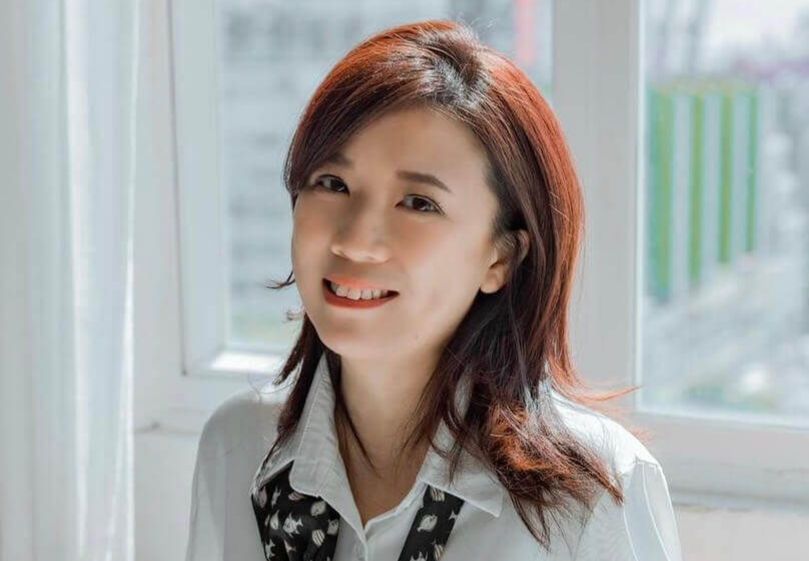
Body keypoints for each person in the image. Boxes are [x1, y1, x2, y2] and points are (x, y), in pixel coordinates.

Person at [184, 19, 683, 561]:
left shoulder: (591, 496)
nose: (356, 241)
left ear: (502, 256)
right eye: (333, 184)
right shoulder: (239, 448)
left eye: (418, 203)